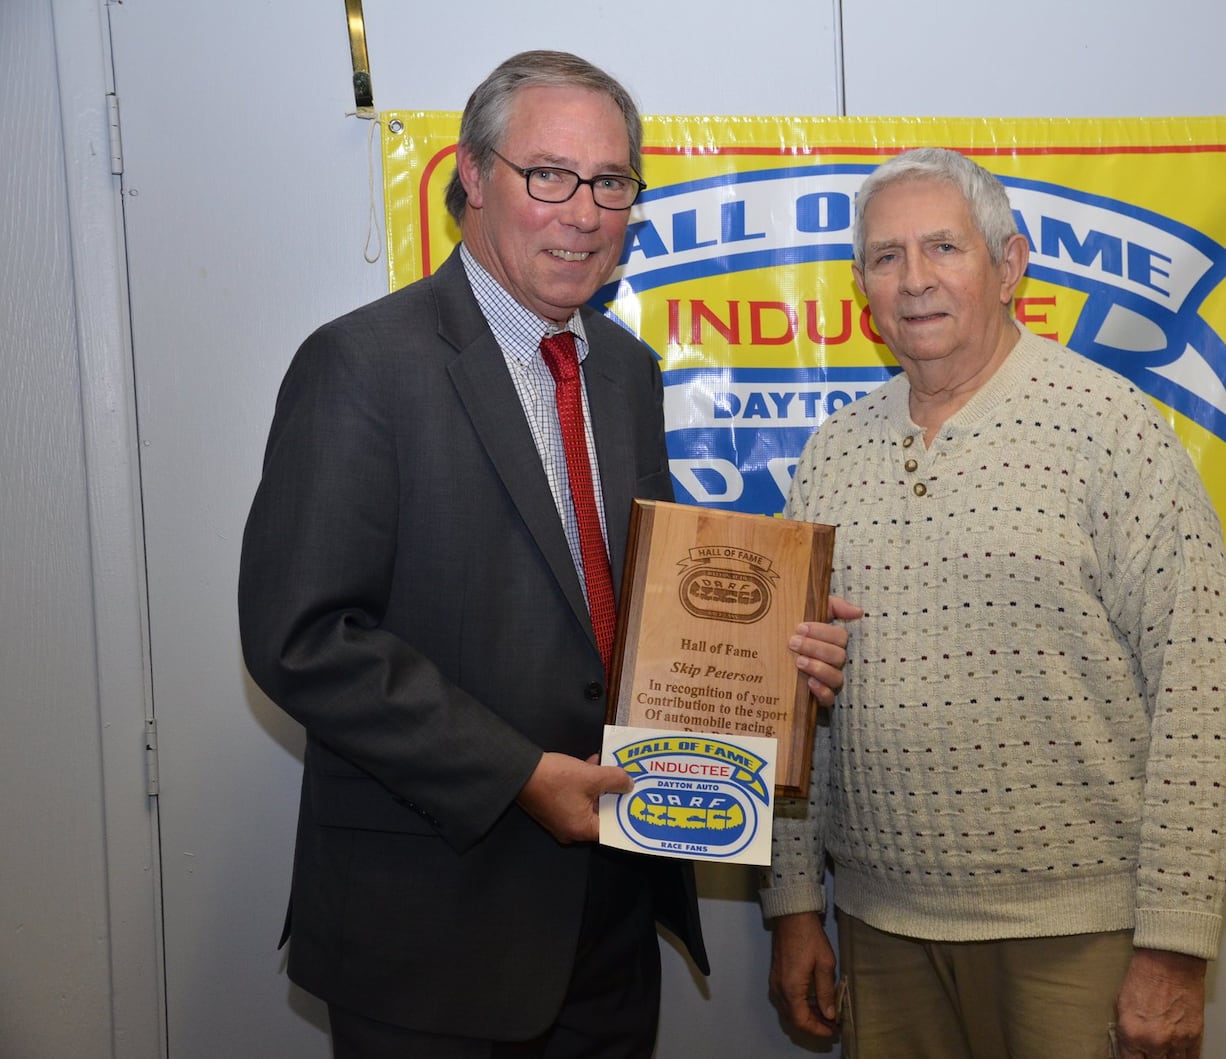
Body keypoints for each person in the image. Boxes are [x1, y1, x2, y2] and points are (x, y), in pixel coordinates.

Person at [238, 50, 853, 1057]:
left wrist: (777, 653)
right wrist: (518, 773)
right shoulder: (361, 365)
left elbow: (650, 602)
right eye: (549, 175)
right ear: (472, 179)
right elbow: (302, 637)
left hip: (610, 917)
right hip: (435, 924)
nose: (583, 211)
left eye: (610, 182)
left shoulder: (622, 369)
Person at [760, 147, 1226, 1059]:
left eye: (943, 247)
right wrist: (795, 906)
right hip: (881, 934)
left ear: (1010, 265)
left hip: (1078, 941)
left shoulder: (1109, 428)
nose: (914, 280)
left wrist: (1175, 949)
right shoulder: (829, 455)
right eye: (885, 256)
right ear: (861, 285)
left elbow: (1208, 696)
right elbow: (798, 705)